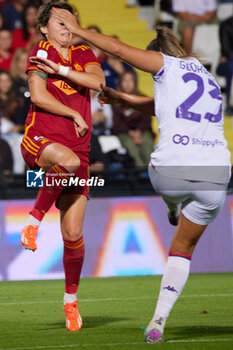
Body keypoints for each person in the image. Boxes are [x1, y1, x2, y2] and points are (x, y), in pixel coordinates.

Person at [52, 9, 231, 343]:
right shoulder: (208, 80)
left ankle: (172, 203)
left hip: (171, 169)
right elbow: (162, 105)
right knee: (182, 251)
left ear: (158, 55)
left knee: (159, 171)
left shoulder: (165, 64)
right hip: (218, 175)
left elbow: (118, 49)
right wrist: (123, 100)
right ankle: (157, 322)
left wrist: (79, 31)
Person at [20, 1, 105, 332]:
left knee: (73, 233)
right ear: (44, 27)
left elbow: (97, 83)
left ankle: (70, 302)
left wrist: (65, 72)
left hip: (79, 152)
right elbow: (38, 97)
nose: (67, 27)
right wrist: (73, 113)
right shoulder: (39, 52)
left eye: (72, 21)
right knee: (66, 160)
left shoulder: (84, 53)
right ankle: (33, 220)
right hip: (41, 140)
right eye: (59, 22)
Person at [112, 71, 154, 167]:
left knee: (147, 144)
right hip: (124, 133)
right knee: (131, 147)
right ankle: (140, 173)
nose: (127, 84)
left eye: (130, 80)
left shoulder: (142, 98)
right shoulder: (115, 101)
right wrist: (131, 133)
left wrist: (138, 132)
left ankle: (151, 172)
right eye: (125, 80)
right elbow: (117, 123)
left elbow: (147, 120)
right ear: (120, 83)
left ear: (135, 82)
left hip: (142, 131)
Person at [216, 16, 233, 116]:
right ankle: (230, 106)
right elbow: (227, 51)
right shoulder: (227, 25)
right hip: (226, 65)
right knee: (231, 66)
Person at [11, 48, 31, 126]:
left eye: (26, 60)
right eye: (21, 61)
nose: (24, 63)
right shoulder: (12, 82)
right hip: (16, 123)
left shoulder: (36, 80)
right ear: (16, 63)